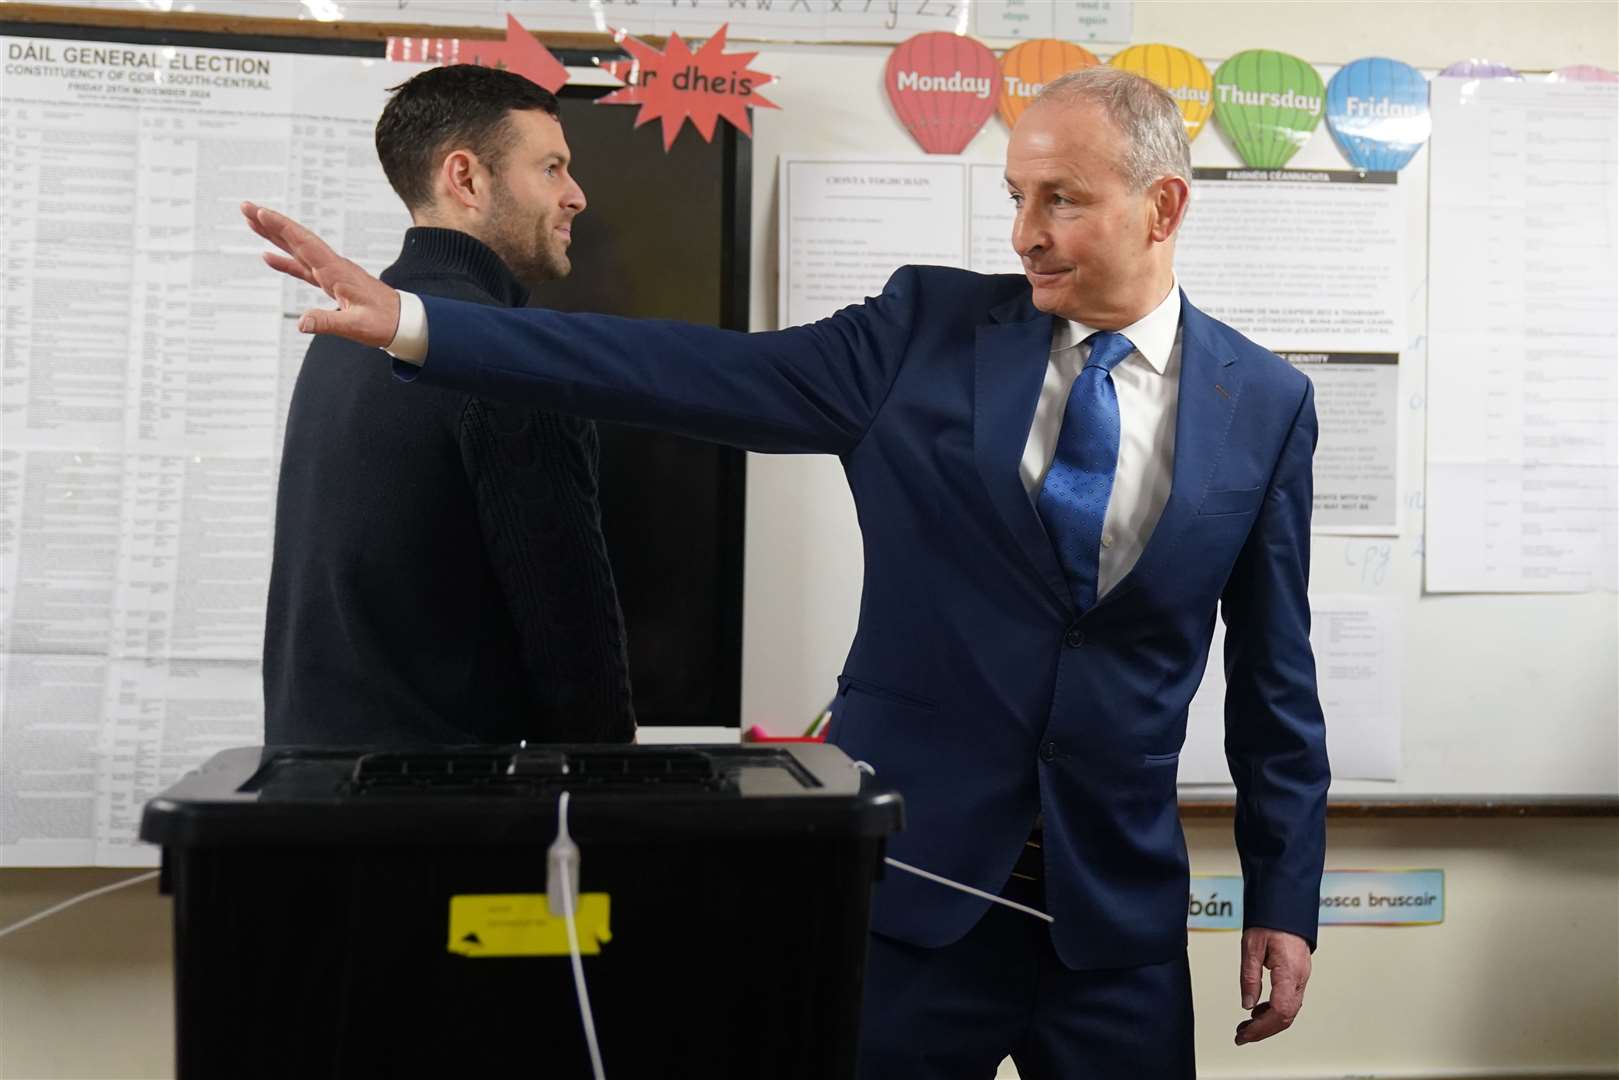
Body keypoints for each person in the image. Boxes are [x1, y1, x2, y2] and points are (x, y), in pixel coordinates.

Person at [246, 67, 1326, 1077]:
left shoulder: (1265, 406)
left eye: (1061, 201)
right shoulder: (923, 332)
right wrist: (422, 326)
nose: (1023, 235)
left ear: (1163, 206)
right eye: (1014, 196)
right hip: (908, 900)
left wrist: (1284, 894)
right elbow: (686, 372)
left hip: (1114, 929)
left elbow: (1277, 684)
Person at [263, 65, 634, 748]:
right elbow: (573, 647)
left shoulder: (347, 337)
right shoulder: (511, 359)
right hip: (447, 823)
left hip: (315, 807)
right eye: (551, 168)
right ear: (465, 179)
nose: (576, 196)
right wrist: (617, 806)